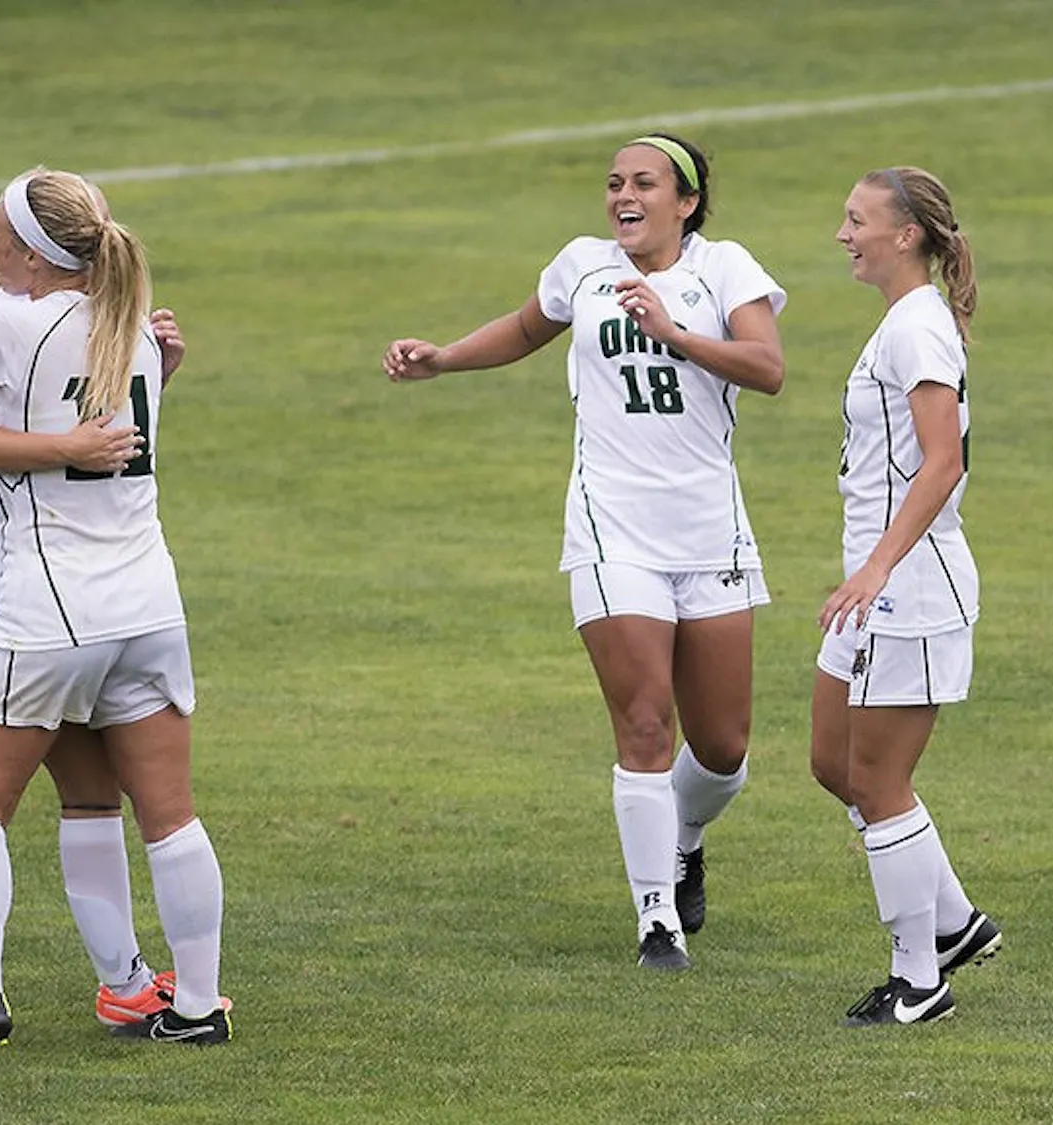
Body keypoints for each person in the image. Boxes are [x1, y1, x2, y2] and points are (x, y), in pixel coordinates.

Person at [383, 133, 785, 970]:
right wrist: (446, 358)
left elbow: (766, 367)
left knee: (723, 748)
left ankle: (685, 833)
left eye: (644, 183)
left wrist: (673, 332)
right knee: (643, 721)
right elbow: (529, 327)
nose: (623, 196)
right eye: (613, 183)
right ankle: (656, 919)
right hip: (612, 528)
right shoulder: (583, 265)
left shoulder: (726, 269)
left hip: (710, 528)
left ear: (687, 201)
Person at [0, 167, 229, 1046]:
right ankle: (183, 1003)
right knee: (156, 811)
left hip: (47, 613)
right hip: (147, 612)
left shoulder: (5, 320)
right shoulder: (130, 327)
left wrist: (58, 448)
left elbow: (60, 439)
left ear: (29, 249)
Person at [810, 166, 1002, 1026]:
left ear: (907, 235)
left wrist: (880, 566)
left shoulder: (918, 328)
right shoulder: (901, 323)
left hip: (908, 590)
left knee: (879, 779)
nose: (844, 234)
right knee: (833, 762)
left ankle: (918, 979)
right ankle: (955, 921)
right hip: (875, 587)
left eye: (857, 221)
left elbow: (943, 462)